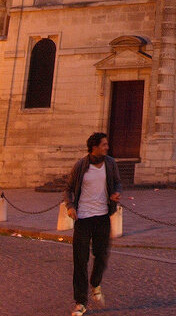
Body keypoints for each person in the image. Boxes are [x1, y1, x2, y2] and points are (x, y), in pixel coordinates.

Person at [62, 132, 122, 316]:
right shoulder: (81, 165)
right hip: (83, 218)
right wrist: (70, 207)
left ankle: (95, 282)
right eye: (104, 144)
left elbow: (118, 183)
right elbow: (68, 188)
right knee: (80, 260)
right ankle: (80, 302)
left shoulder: (110, 164)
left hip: (103, 216)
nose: (107, 147)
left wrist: (115, 194)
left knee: (101, 255)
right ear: (94, 146)